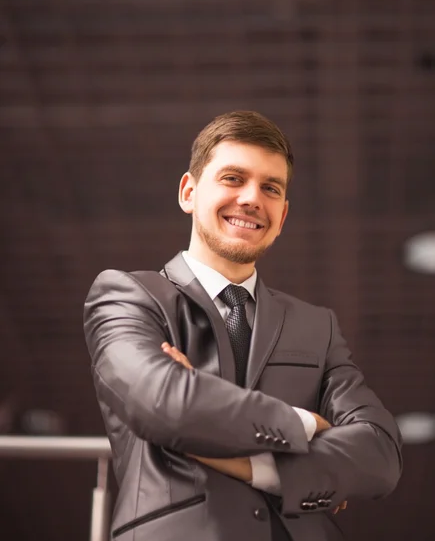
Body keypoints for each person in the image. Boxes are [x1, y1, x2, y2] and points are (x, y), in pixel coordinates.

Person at [83, 110, 402, 541]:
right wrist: (304, 424)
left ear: (283, 216)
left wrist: (261, 469)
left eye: (270, 188)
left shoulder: (317, 326)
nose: (252, 198)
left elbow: (380, 454)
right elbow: (164, 403)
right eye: (233, 178)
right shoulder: (128, 296)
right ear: (188, 192)